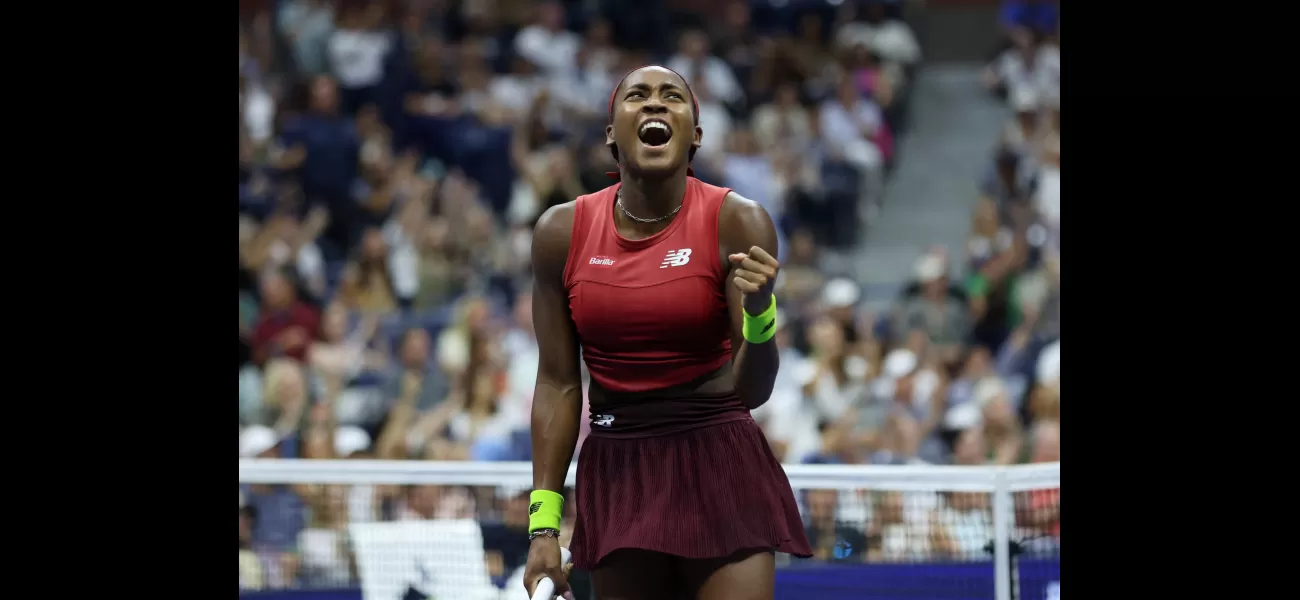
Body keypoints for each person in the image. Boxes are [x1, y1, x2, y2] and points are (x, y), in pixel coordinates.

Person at [522, 65, 811, 600]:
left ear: (695, 134)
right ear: (612, 131)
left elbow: (753, 391)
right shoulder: (559, 234)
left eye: (672, 97)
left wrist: (761, 310)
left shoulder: (737, 222)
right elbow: (558, 385)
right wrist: (543, 525)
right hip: (619, 466)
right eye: (638, 96)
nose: (655, 105)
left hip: (720, 458)